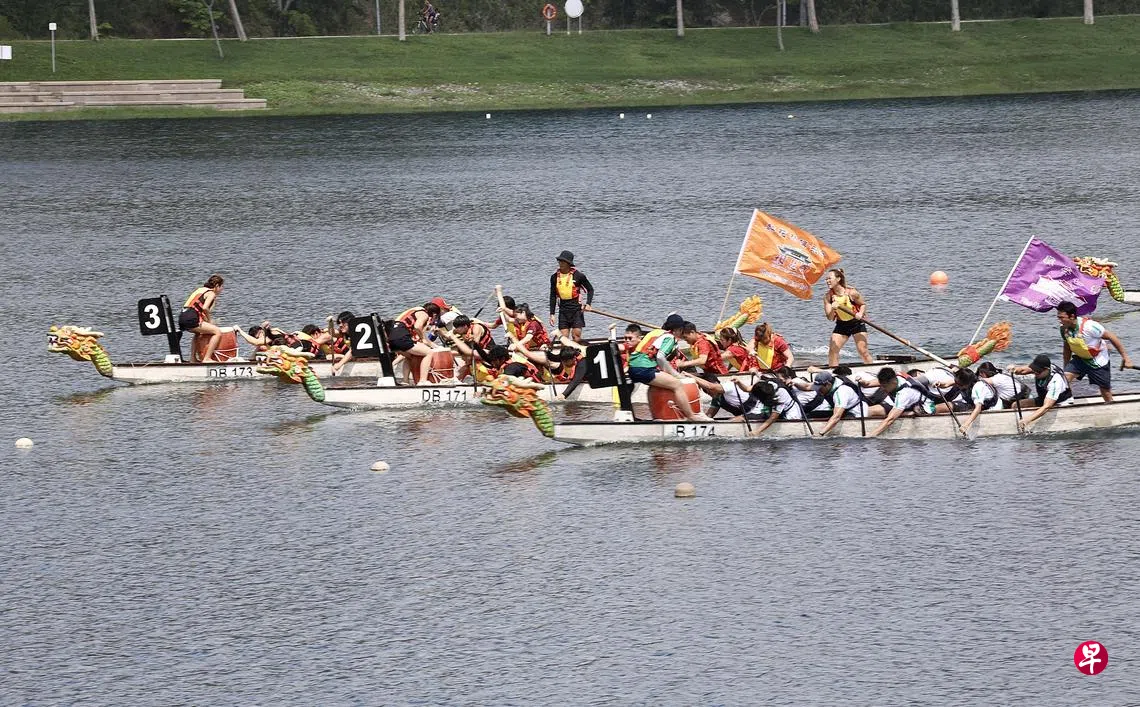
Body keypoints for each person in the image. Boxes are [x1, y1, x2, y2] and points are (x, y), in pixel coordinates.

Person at [627, 314, 710, 422]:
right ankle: (691, 416)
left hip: (633, 367)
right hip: (644, 368)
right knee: (677, 385)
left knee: (654, 386)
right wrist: (675, 375)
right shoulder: (670, 337)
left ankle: (657, 418)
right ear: (678, 329)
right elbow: (660, 357)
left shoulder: (655, 332)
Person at [1055, 301, 1132, 402]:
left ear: (1072, 316)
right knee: (1064, 379)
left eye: (1061, 317)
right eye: (1058, 317)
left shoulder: (1089, 327)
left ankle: (1111, 406)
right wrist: (1066, 365)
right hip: (1080, 359)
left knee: (1105, 391)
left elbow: (1112, 337)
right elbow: (1067, 347)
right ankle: (1065, 402)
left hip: (1098, 361)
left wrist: (1126, 358)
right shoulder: (1063, 329)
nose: (1059, 320)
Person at [1007, 354, 1072, 432]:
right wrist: (1014, 369)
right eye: (1034, 370)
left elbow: (1047, 406)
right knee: (1015, 405)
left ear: (1046, 369)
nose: (1035, 373)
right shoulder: (1041, 368)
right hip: (1044, 398)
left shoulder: (1055, 381)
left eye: (1037, 372)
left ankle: (1023, 423)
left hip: (1060, 402)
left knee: (1042, 408)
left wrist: (1028, 420)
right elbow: (1023, 370)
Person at [823, 268, 873, 366]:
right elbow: (830, 318)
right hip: (841, 325)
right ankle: (834, 371)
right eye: (826, 279)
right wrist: (833, 308)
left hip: (856, 323)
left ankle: (872, 368)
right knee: (833, 351)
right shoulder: (828, 297)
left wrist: (860, 313)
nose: (827, 281)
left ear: (838, 279)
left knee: (862, 350)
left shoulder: (851, 292)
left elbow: (863, 304)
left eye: (829, 278)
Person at [814, 370, 884, 436]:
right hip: (848, 410)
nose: (818, 390)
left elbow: (837, 417)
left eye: (820, 388)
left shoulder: (841, 392)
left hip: (856, 414)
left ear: (828, 384)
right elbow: (810, 386)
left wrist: (821, 433)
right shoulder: (833, 382)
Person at [548, 250, 595, 342]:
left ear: (569, 263)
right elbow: (552, 296)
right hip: (563, 311)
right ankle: (566, 351)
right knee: (564, 338)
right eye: (559, 261)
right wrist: (552, 314)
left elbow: (590, 290)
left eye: (563, 261)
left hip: (576, 310)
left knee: (576, 336)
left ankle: (578, 350)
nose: (560, 263)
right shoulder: (554, 277)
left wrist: (588, 304)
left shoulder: (579, 276)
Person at [179, 274, 226, 363]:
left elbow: (197, 309)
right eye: (221, 286)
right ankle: (207, 358)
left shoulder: (200, 290)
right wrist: (210, 321)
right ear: (217, 286)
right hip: (191, 318)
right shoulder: (211, 293)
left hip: (182, 317)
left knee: (198, 333)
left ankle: (192, 358)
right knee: (217, 332)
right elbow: (205, 308)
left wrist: (206, 321)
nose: (222, 289)